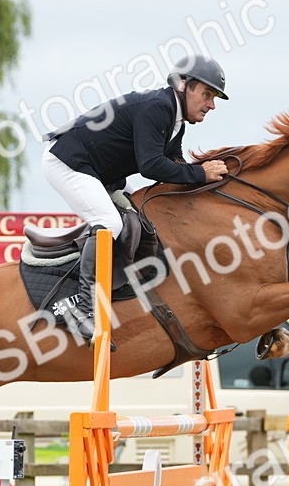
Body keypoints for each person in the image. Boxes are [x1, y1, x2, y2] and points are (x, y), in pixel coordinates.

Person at [43, 54, 230, 339]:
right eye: (206, 94)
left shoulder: (174, 117)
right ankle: (82, 306)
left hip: (98, 171)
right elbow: (151, 165)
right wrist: (200, 174)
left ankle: (127, 283)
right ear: (183, 86)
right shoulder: (158, 107)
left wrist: (202, 182)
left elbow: (173, 161)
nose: (212, 105)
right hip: (68, 162)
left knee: (142, 209)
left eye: (214, 97)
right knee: (110, 223)